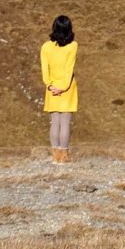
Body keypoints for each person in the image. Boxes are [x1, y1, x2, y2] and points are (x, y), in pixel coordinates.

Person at [40, 15, 79, 164]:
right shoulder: (72, 46)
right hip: (67, 87)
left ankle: (55, 156)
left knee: (54, 122)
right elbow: (69, 69)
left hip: (52, 88)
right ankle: (64, 156)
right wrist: (62, 88)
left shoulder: (46, 47)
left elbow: (45, 70)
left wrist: (50, 86)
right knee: (65, 123)